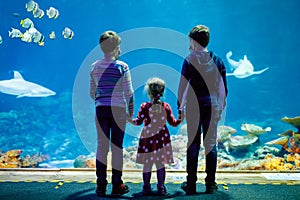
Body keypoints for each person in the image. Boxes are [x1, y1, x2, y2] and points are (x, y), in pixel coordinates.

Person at [177, 25, 228, 194]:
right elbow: (223, 88)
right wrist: (221, 107)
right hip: (212, 105)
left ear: (193, 41)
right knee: (210, 144)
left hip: (193, 105)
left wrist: (180, 107)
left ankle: (191, 183)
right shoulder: (218, 60)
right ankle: (210, 184)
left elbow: (183, 86)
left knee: (193, 143)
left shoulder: (189, 60)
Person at [89, 30, 134, 197]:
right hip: (118, 110)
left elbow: (92, 91)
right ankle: (117, 185)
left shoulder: (94, 66)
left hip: (101, 109)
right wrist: (130, 111)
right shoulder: (122, 67)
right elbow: (128, 92)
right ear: (117, 48)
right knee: (117, 148)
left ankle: (100, 185)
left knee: (102, 147)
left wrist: (101, 100)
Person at [128, 77, 182, 195]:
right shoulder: (166, 106)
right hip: (162, 139)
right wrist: (181, 117)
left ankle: (146, 187)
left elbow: (138, 122)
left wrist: (129, 119)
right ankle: (161, 187)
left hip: (148, 139)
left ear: (148, 92)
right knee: (160, 164)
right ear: (162, 92)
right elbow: (173, 123)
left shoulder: (144, 107)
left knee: (147, 163)